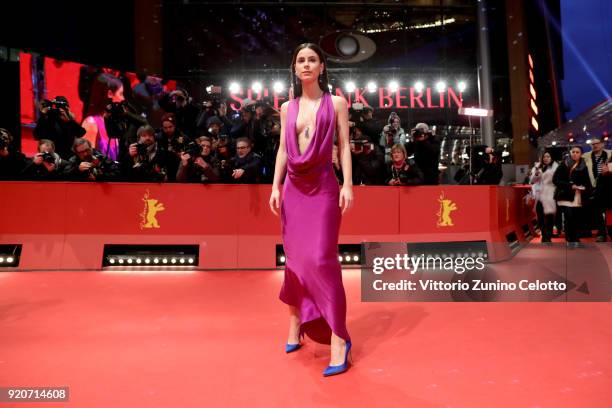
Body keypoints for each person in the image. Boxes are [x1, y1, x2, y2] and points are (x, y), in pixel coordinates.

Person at [268, 43, 354, 377]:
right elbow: (282, 149)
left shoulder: (336, 104)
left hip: (322, 188)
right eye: (300, 60)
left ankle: (338, 338)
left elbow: (344, 145)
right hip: (293, 189)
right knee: (295, 259)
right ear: (295, 67)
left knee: (321, 259)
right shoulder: (287, 108)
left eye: (312, 60)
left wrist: (347, 183)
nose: (306, 65)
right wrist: (274, 185)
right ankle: (295, 324)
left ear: (321, 68)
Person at [553, 146, 592, 247]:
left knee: (576, 218)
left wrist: (585, 188)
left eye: (577, 152)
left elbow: (587, 182)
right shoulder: (564, 164)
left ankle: (575, 239)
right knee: (569, 217)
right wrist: (570, 185)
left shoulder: (583, 166)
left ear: (581, 154)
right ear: (570, 153)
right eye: (573, 152)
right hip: (565, 195)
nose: (575, 154)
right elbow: (555, 180)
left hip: (577, 196)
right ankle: (570, 240)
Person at [582, 138, 610, 241]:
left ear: (602, 144)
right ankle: (601, 233)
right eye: (592, 144)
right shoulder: (586, 156)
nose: (595, 145)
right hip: (594, 187)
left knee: (609, 211)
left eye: (597, 143)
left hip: (608, 186)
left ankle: (609, 231)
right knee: (597, 211)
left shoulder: (610, 154)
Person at [529, 151, 558, 243]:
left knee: (549, 216)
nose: (546, 158)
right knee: (540, 216)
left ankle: (548, 235)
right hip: (540, 195)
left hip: (550, 194)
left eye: (548, 156)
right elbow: (532, 180)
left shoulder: (556, 167)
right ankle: (544, 234)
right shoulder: (537, 167)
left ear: (551, 158)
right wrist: (537, 171)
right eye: (544, 157)